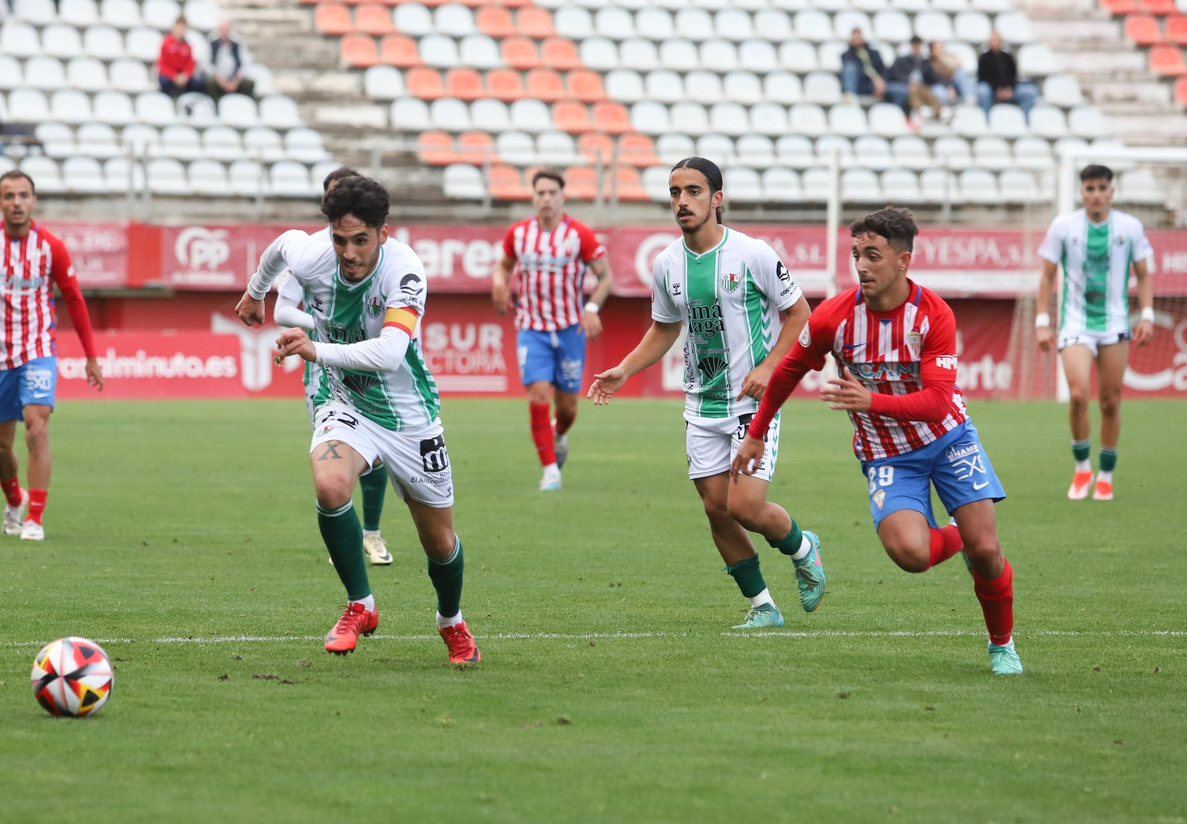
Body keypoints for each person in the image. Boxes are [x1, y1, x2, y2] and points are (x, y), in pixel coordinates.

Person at [733, 208, 1022, 675]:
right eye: (856, 255)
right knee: (910, 555)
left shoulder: (934, 315)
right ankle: (959, 540)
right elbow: (788, 370)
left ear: (903, 261)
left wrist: (872, 402)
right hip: (888, 454)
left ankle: (1002, 645)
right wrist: (756, 434)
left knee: (989, 552)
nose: (862, 266)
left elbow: (936, 403)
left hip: (948, 439)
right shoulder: (835, 316)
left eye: (873, 255)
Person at [233, 176, 480, 664]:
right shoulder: (313, 255)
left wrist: (315, 348)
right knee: (329, 486)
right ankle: (360, 604)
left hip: (410, 417)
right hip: (344, 404)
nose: (348, 252)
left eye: (360, 240)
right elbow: (283, 247)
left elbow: (391, 353)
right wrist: (253, 292)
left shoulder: (404, 269)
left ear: (382, 233)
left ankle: (450, 621)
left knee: (438, 539)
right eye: (339, 239)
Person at [587, 158, 825, 629]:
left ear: (717, 199)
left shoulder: (753, 253)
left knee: (745, 506)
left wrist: (769, 365)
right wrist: (623, 370)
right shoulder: (666, 263)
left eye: (693, 191)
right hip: (701, 405)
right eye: (675, 192)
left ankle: (803, 547)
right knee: (717, 511)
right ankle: (763, 607)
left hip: (753, 403)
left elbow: (801, 314)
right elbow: (664, 328)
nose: (682, 202)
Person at [0, 171, 105, 541]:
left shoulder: (51, 247)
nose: (17, 203)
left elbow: (74, 299)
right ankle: (14, 499)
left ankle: (35, 519)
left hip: (38, 349)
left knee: (37, 428)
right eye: (9, 196)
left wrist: (91, 355)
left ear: (34, 201)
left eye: (23, 195)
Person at [271, 166, 396, 569]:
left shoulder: (384, 260)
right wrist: (322, 329)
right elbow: (283, 309)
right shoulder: (311, 257)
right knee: (335, 457)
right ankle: (345, 534)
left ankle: (371, 533)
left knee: (375, 454)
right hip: (322, 367)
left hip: (370, 364)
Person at [1034, 164, 1155, 501]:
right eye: (1090, 188)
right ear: (1082, 192)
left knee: (1111, 401)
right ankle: (1082, 466)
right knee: (1077, 394)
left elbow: (1143, 274)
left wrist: (1146, 315)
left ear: (1111, 191)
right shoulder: (1064, 225)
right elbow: (1046, 277)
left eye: (1102, 188)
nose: (1096, 194)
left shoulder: (1129, 227)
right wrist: (1042, 321)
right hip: (1075, 323)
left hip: (1115, 324)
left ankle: (1106, 472)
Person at [490, 168, 611, 492]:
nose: (546, 198)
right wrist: (499, 284)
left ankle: (559, 433)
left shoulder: (580, 235)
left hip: (570, 329)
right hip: (532, 328)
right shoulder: (518, 234)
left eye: (552, 193)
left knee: (568, 407)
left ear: (562, 197)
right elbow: (502, 266)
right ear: (533, 197)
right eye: (540, 193)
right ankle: (550, 472)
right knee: (538, 395)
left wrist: (591, 308)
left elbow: (606, 277)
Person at [977, 32, 1038, 116]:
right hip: (992, 91)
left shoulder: (1008, 57)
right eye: (993, 40)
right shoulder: (983, 58)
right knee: (982, 91)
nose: (995, 42)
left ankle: (1026, 120)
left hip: (1009, 90)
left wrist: (1010, 89)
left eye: (997, 40)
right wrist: (997, 90)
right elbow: (982, 78)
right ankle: (985, 119)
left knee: (1029, 92)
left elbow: (1014, 76)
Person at [886, 36, 943, 121]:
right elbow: (895, 74)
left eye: (918, 45)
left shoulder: (925, 62)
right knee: (913, 91)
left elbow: (933, 77)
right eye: (914, 45)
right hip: (907, 86)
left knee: (927, 91)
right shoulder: (902, 60)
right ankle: (920, 109)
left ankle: (939, 110)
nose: (916, 48)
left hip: (921, 86)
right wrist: (908, 83)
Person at [206, 20, 256, 100]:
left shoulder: (237, 43)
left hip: (235, 79)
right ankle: (215, 103)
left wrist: (235, 81)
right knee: (209, 82)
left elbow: (246, 64)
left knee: (249, 83)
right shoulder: (212, 43)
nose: (224, 32)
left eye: (226, 29)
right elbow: (207, 65)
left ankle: (242, 104)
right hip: (218, 79)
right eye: (222, 29)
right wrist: (221, 81)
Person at [158, 17, 204, 97]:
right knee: (164, 82)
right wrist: (174, 76)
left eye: (183, 29)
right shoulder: (166, 44)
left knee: (198, 84)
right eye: (179, 28)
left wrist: (185, 76)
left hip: (183, 76)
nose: (180, 31)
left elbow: (190, 64)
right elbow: (163, 65)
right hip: (170, 75)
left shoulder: (187, 46)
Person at [840, 29, 887, 102]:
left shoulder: (874, 53)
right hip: (862, 83)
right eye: (855, 37)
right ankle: (850, 96)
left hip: (877, 84)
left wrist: (881, 82)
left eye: (859, 36)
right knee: (850, 67)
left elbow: (883, 69)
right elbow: (851, 67)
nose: (857, 39)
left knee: (899, 91)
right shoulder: (848, 54)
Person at [927, 40, 972, 113]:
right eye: (937, 48)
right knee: (938, 91)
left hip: (952, 83)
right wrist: (948, 87)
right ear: (932, 50)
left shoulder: (949, 57)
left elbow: (957, 66)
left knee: (961, 74)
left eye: (941, 47)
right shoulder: (929, 63)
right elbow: (936, 78)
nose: (941, 50)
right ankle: (945, 110)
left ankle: (969, 99)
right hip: (940, 86)